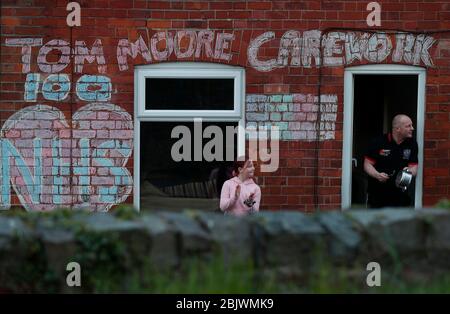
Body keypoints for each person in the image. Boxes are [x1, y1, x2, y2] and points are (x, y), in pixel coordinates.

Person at [363, 114, 418, 208]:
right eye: (408, 126)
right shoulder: (378, 142)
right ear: (398, 129)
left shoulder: (412, 143)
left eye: (411, 125)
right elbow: (367, 164)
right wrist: (377, 175)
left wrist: (408, 171)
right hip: (378, 194)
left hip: (401, 195)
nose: (412, 128)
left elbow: (414, 167)